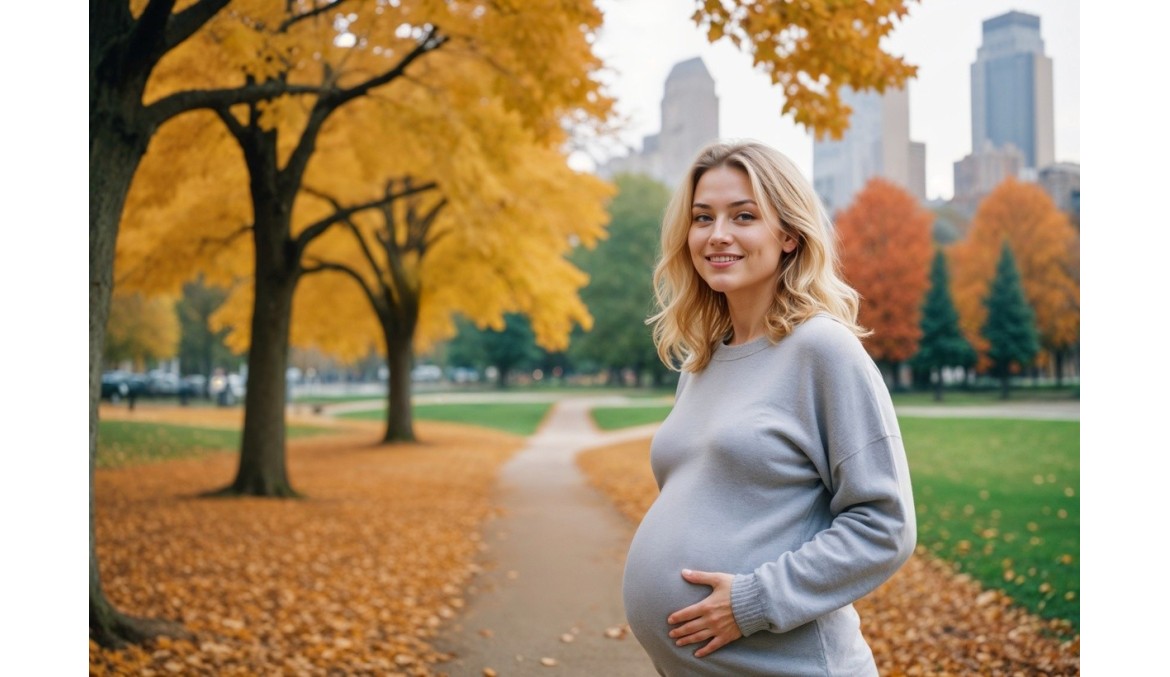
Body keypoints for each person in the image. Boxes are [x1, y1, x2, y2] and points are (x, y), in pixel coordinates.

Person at [622, 140, 916, 676]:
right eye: (702, 217)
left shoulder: (822, 350)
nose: (717, 235)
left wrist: (754, 601)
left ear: (788, 235)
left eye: (744, 216)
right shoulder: (704, 361)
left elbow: (885, 523)